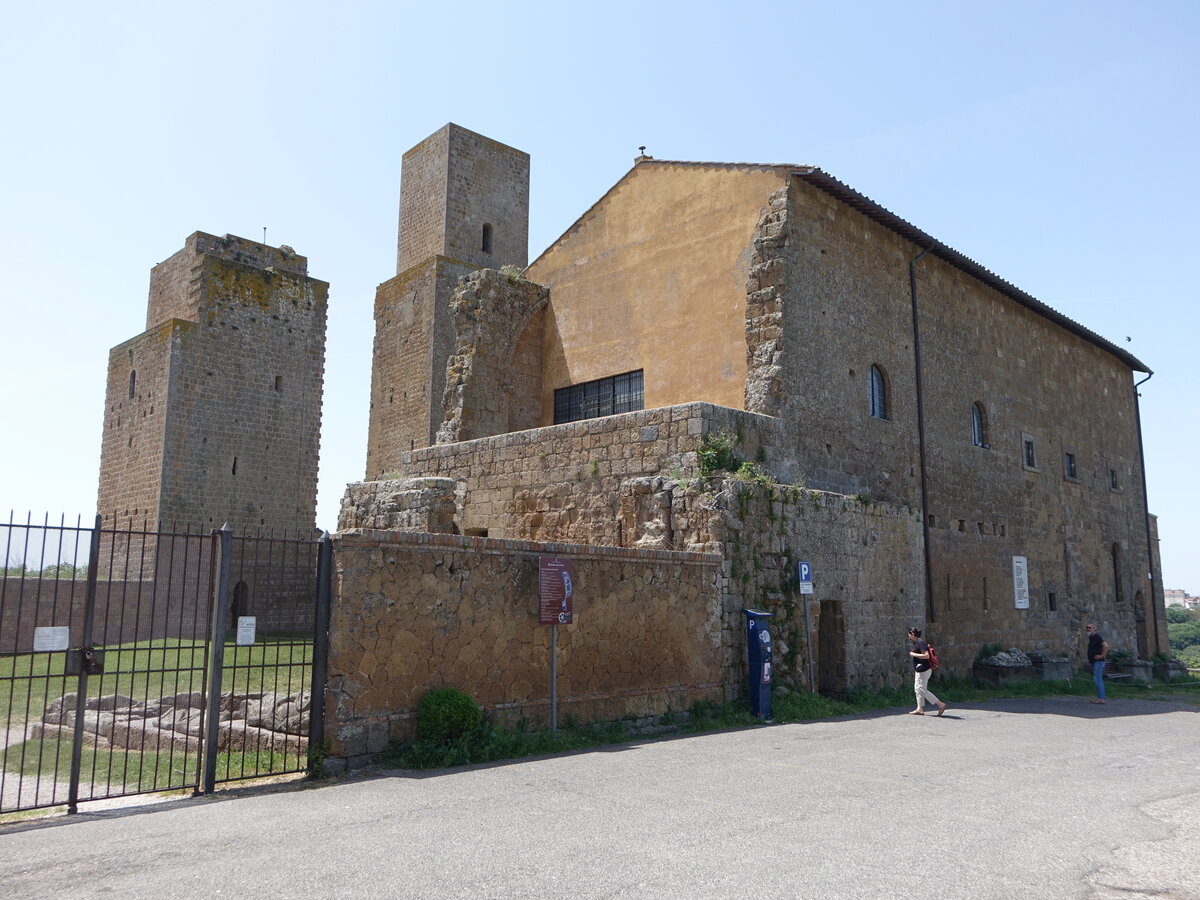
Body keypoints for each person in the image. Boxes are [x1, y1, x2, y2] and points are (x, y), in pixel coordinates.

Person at [907, 627, 946, 716]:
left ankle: (940, 704)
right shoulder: (919, 642)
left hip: (924, 670)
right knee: (918, 688)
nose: (909, 637)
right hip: (921, 670)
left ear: (913, 634)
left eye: (909, 635)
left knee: (921, 689)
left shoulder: (921, 643)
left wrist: (913, 654)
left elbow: (926, 656)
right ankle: (919, 709)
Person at [1086, 623, 1109, 704]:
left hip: (1098, 662)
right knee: (1098, 679)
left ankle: (1101, 699)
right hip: (1094, 661)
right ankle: (1100, 698)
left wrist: (1101, 655)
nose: (1088, 629)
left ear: (1094, 629)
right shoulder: (1091, 638)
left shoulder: (1097, 637)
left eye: (1089, 627)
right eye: (1087, 628)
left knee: (1098, 679)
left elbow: (1106, 646)